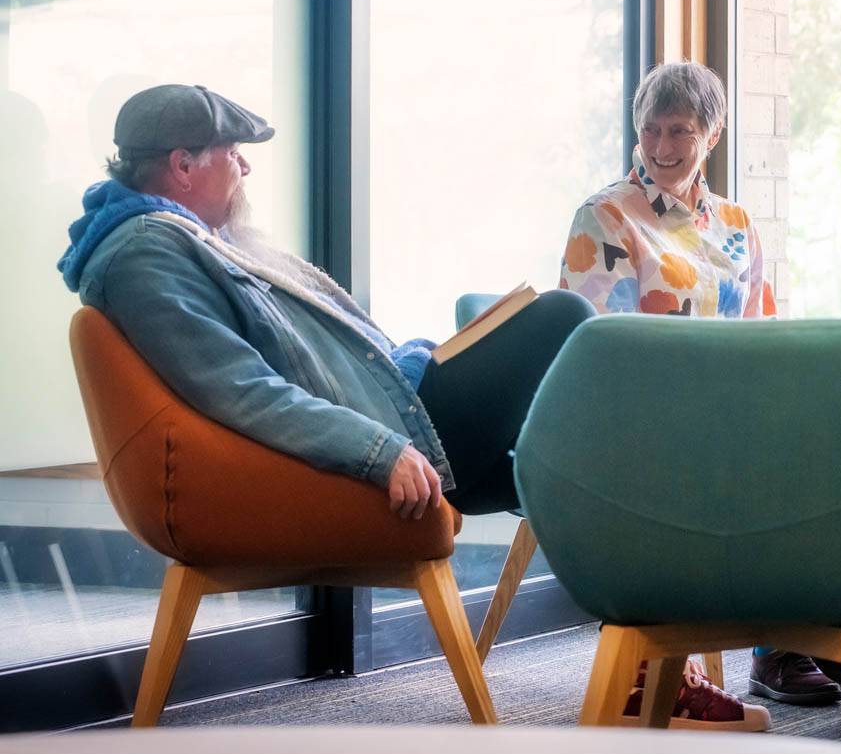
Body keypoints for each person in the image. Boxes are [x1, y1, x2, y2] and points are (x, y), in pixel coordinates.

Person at [59, 83, 595, 523]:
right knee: (566, 320)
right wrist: (379, 451)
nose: (244, 170)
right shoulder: (146, 255)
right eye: (234, 155)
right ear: (182, 166)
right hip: (396, 423)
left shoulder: (183, 240)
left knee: (579, 473)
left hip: (399, 398)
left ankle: (639, 610)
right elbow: (238, 388)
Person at [559, 62, 826, 721]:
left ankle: (786, 639)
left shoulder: (735, 222)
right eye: (651, 129)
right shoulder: (605, 216)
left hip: (728, 410)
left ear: (712, 134)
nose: (662, 146)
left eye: (680, 129)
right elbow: (596, 351)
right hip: (639, 416)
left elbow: (760, 334)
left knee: (810, 448)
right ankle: (676, 661)